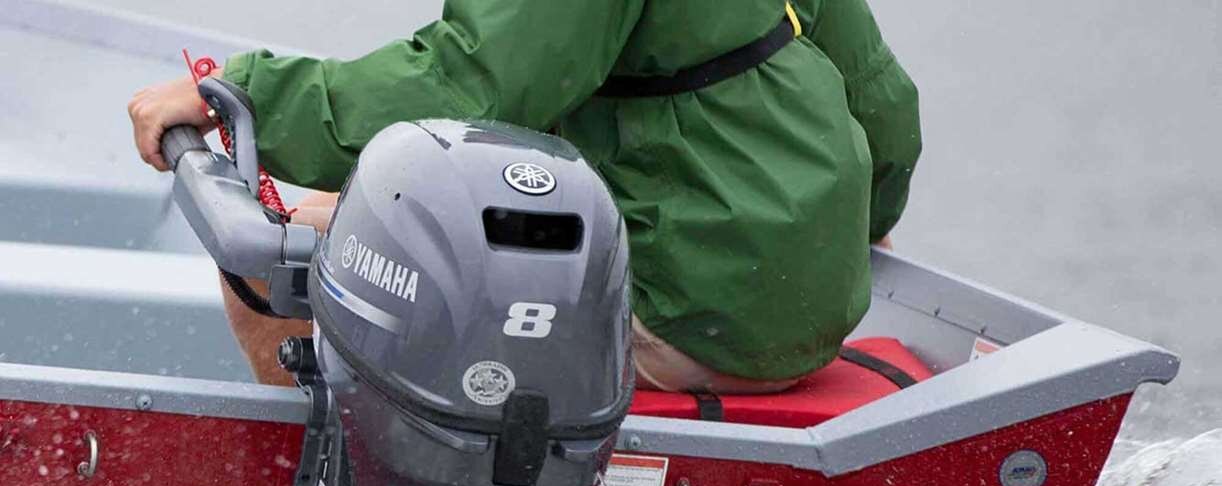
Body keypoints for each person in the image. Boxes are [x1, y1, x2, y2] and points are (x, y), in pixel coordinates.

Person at [128, 0, 920, 392]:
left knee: (279, 258)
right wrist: (866, 223)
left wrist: (243, 94)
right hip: (808, 300)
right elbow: (877, 92)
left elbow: (469, 83)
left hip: (686, 304)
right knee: (362, 213)